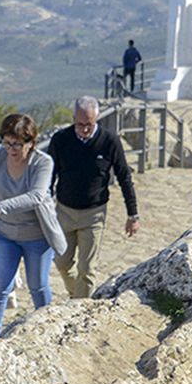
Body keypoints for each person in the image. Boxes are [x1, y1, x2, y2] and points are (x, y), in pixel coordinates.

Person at [0, 113, 66, 340]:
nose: (11, 149)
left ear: (31, 143)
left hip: (36, 236)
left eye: (17, 144)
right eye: (7, 143)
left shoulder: (42, 163)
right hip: (5, 234)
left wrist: (0, 207)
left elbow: (36, 196)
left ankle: (48, 330)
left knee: (37, 286)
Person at [47, 96, 140, 299]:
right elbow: (49, 176)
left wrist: (132, 214)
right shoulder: (60, 140)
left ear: (96, 119)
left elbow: (124, 177)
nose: (85, 129)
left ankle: (80, 307)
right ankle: (76, 295)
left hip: (94, 214)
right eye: (80, 124)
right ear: (74, 118)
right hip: (64, 211)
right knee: (62, 263)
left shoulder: (109, 141)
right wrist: (44, 209)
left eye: (89, 124)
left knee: (87, 269)